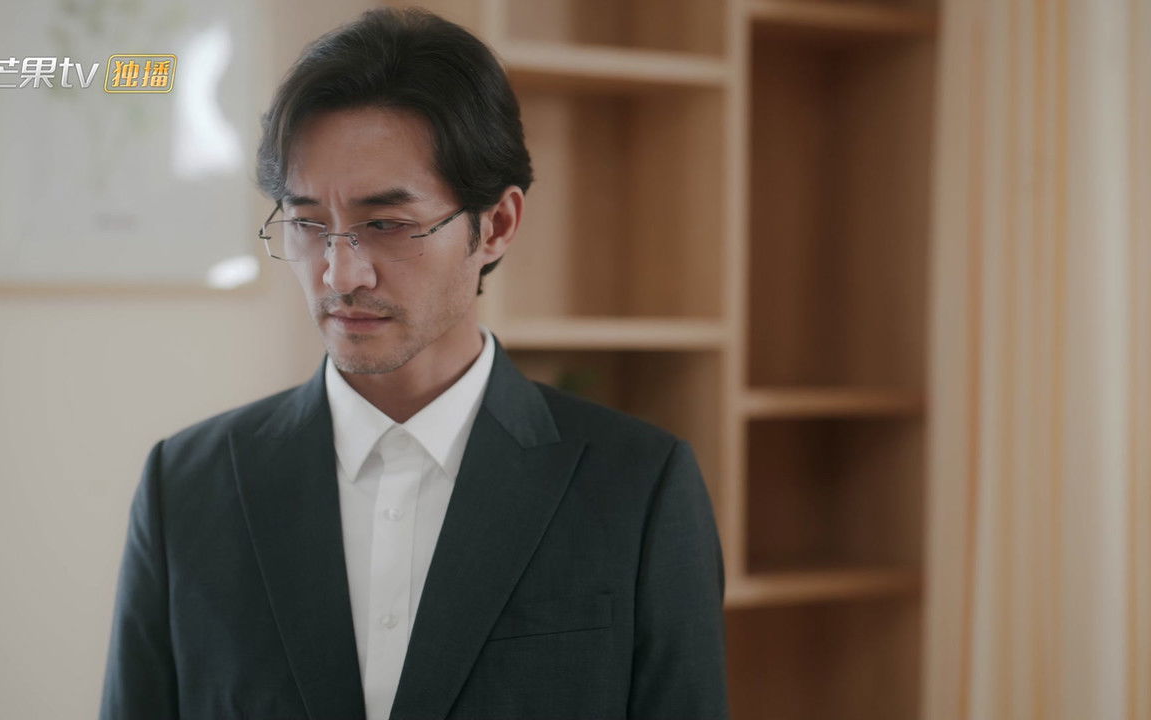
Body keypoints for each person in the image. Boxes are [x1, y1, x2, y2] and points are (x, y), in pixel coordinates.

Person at [99, 7, 728, 720]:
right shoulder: (185, 488)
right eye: (307, 223)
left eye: (387, 224)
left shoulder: (639, 488)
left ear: (497, 225)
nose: (340, 274)